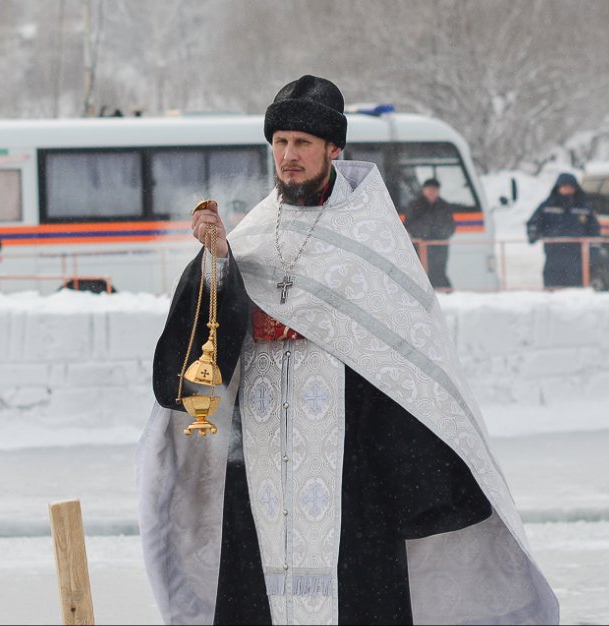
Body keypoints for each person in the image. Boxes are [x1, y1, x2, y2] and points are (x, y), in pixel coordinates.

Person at [137, 75, 558, 625]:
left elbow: (408, 353)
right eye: (281, 142)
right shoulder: (257, 231)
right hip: (260, 455)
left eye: (303, 144)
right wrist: (218, 264)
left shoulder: (371, 235)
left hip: (351, 462)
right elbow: (206, 354)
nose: (289, 156)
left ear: (334, 148)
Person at [526, 172, 601, 288]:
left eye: (571, 186)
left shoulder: (583, 207)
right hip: (554, 256)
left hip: (577, 257)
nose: (568, 189)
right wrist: (533, 233)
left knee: (575, 291)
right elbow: (533, 223)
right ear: (558, 187)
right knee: (552, 289)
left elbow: (594, 229)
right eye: (564, 186)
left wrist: (594, 250)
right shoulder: (547, 206)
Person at [402, 178, 456, 289]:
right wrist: (426, 229)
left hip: (439, 247)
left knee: (438, 272)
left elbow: (450, 227)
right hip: (419, 246)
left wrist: (438, 232)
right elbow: (409, 225)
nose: (432, 192)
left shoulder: (444, 206)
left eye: (435, 189)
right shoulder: (414, 205)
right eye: (429, 189)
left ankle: (443, 296)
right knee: (419, 274)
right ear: (424, 190)